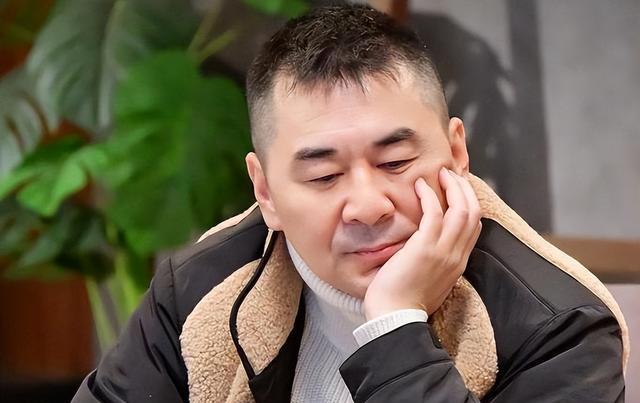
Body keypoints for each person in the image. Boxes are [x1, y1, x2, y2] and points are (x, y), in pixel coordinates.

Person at [72, 4, 628, 402]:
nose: (367, 206)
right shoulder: (201, 290)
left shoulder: (559, 329)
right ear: (265, 191)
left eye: (395, 162)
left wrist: (394, 327)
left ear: (458, 152)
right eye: (324, 175)